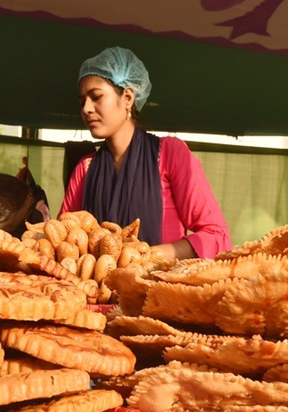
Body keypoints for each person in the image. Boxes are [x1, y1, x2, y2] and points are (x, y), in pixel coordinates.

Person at [59, 46, 232, 260]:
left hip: (158, 289)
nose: (86, 108)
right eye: (82, 101)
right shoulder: (85, 169)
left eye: (96, 97)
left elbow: (216, 235)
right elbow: (62, 241)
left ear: (128, 98)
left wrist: (147, 256)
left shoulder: (169, 154)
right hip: (97, 292)